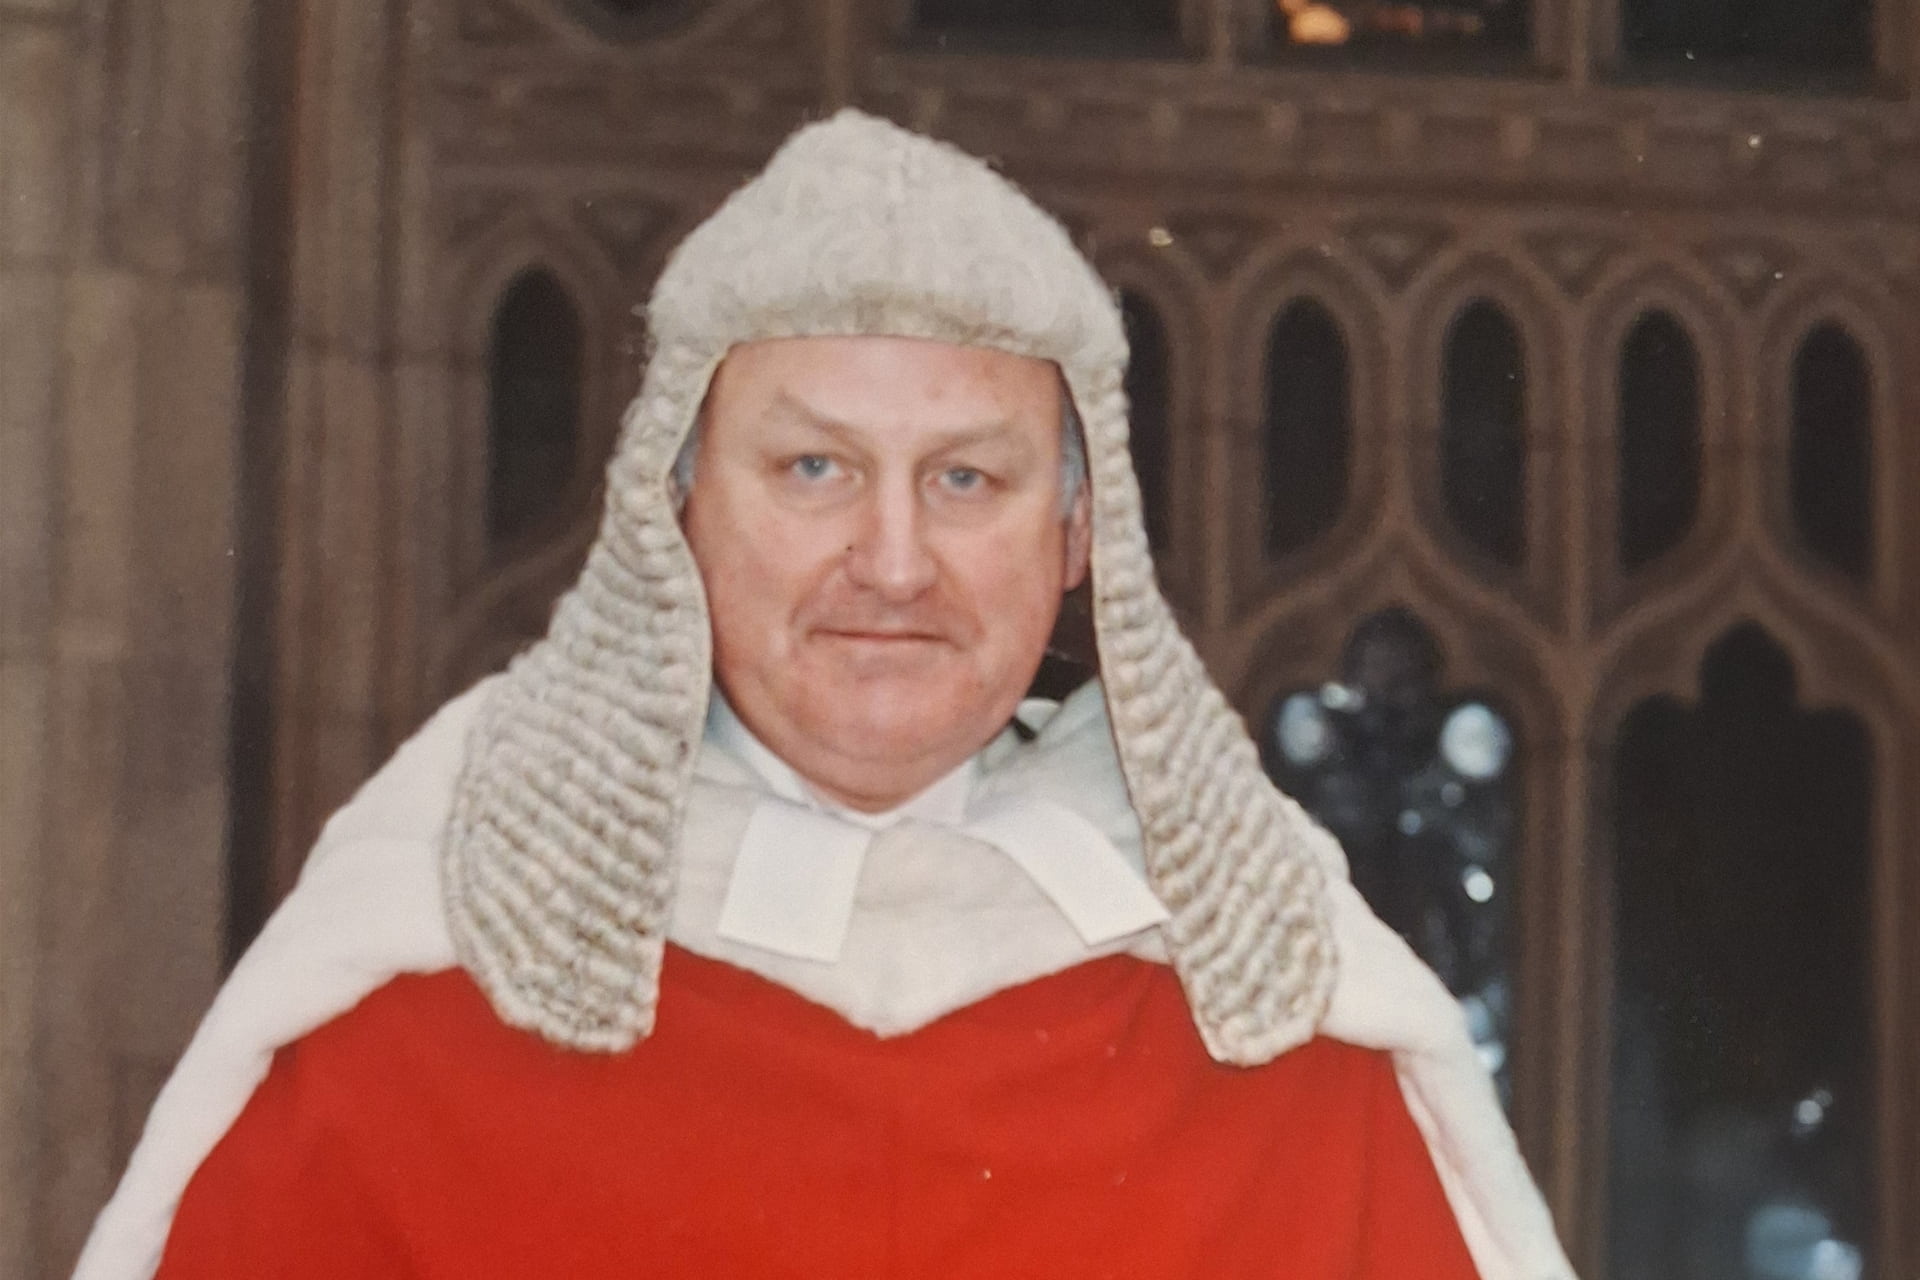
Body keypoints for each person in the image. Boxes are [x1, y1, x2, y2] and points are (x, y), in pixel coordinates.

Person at [75, 110, 1575, 1279]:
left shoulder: (1290, 1044)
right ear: (672, 513)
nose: (896, 560)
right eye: (814, 469)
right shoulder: (409, 1008)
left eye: (967, 479)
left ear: (1076, 539)